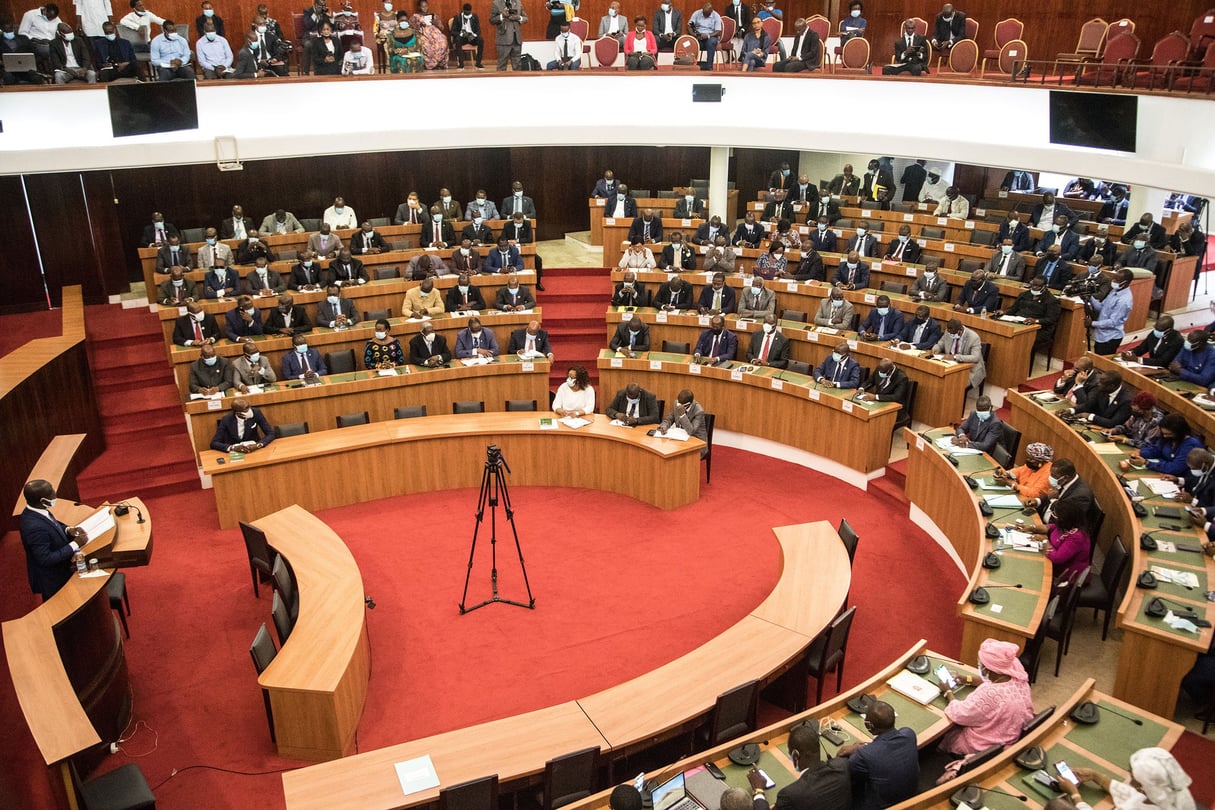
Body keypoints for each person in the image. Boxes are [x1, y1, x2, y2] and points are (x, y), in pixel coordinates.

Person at [937, 639, 1034, 756]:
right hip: (1010, 737)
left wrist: (947, 691)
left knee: (945, 733)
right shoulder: (1018, 678)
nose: (980, 667)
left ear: (987, 669)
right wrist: (966, 679)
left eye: (981, 664)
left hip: (984, 747)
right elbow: (990, 680)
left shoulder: (989, 694)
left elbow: (959, 714)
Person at [837, 699, 917, 810]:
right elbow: (885, 748)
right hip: (912, 796)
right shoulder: (909, 734)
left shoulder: (863, 755)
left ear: (869, 726)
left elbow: (850, 771)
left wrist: (855, 748)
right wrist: (865, 745)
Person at [1060, 748, 1195, 810]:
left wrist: (1075, 795)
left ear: (1144, 782)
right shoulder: (1169, 791)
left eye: (1131, 772)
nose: (1129, 776)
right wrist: (1095, 776)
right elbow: (1136, 796)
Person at [18, 480, 84, 601]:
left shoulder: (35, 511)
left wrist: (67, 530)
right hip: (54, 581)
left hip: (61, 571)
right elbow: (45, 559)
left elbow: (52, 525)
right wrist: (75, 544)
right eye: (52, 493)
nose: (55, 494)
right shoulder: (34, 527)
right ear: (43, 501)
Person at [1025, 499, 1091, 584]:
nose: (1052, 515)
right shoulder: (1065, 526)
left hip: (1069, 577)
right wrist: (1032, 528)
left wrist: (1045, 541)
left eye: (1054, 514)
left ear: (1063, 518)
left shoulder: (1077, 537)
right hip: (1055, 567)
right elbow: (1050, 527)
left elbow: (1057, 558)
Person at [997, 276, 1059, 359]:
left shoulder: (1051, 300)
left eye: (1037, 286)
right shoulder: (1024, 295)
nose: (1034, 287)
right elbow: (1013, 309)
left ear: (1045, 286)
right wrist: (1004, 312)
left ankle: (1018, 359)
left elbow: (1051, 319)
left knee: (1020, 338)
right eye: (1033, 285)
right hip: (1018, 322)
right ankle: (1004, 356)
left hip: (1039, 329)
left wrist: (1036, 321)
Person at [1128, 413, 1203, 477]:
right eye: (1163, 433)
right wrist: (1140, 453)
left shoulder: (1191, 445)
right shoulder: (1167, 438)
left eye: (1168, 434)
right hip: (1160, 471)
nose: (1165, 436)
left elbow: (1175, 468)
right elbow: (1156, 449)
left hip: (1176, 478)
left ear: (1179, 432)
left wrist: (1146, 463)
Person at [1087, 268, 1134, 355]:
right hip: (1101, 335)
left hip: (1110, 338)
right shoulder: (1114, 290)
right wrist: (1090, 298)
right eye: (1114, 278)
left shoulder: (1124, 301)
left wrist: (1092, 323)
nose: (1114, 281)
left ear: (1125, 282)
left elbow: (1113, 322)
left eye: (1117, 280)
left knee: (1102, 364)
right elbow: (1102, 307)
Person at [211, 397, 275, 452]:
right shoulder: (226, 420)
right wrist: (233, 448)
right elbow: (214, 443)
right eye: (246, 409)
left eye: (249, 407)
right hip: (236, 452)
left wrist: (259, 444)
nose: (250, 410)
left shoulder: (256, 413)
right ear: (238, 413)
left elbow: (270, 433)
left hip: (254, 449)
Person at [490, 0, 526, 70]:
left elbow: (525, 18)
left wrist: (519, 18)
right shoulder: (496, 3)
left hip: (516, 39)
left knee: (518, 66)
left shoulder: (518, 2)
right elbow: (492, 20)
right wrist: (502, 16)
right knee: (502, 66)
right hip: (503, 39)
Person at [410, 0, 447, 69]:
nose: (425, 8)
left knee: (443, 42)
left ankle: (439, 63)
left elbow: (442, 27)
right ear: (419, 7)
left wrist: (435, 22)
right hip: (423, 34)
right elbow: (411, 28)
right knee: (426, 45)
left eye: (426, 6)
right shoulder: (415, 16)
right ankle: (430, 65)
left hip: (435, 34)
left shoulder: (433, 15)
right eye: (423, 6)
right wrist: (419, 25)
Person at [687, 2, 722, 71]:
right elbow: (689, 25)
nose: (704, 15)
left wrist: (708, 35)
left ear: (711, 11)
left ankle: (709, 66)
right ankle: (690, 64)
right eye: (703, 13)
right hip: (698, 35)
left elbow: (718, 31)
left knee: (711, 42)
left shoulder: (716, 16)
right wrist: (694, 34)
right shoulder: (697, 13)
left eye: (707, 14)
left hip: (710, 36)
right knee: (690, 41)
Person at [449, 3, 484, 68]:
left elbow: (478, 30)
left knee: (480, 40)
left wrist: (474, 35)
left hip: (472, 37)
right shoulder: (458, 18)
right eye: (466, 12)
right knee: (458, 40)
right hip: (463, 37)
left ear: (471, 11)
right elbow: (453, 31)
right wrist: (461, 34)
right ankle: (461, 63)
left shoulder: (474, 17)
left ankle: (478, 62)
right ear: (463, 11)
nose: (468, 13)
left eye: (469, 12)